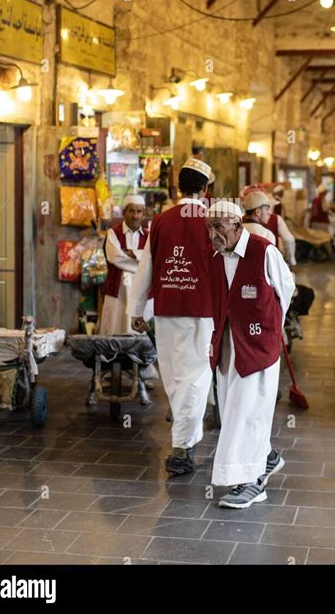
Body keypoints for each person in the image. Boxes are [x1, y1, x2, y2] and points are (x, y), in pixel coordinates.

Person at [206, 201, 295, 509]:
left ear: (237, 226)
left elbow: (287, 289)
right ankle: (267, 458)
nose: (214, 235)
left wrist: (271, 329)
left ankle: (253, 482)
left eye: (219, 228)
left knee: (250, 411)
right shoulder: (216, 256)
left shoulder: (264, 251)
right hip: (228, 345)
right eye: (209, 228)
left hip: (258, 347)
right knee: (234, 409)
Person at [129, 158, 214, 476]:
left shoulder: (161, 221)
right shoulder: (213, 220)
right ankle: (181, 448)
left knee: (176, 377)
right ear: (205, 189)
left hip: (166, 310)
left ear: (180, 187)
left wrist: (137, 311)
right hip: (202, 312)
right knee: (196, 377)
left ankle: (184, 442)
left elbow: (145, 268)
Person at [99, 195, 148, 335]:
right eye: (131, 211)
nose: (135, 216)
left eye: (139, 212)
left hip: (141, 290)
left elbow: (153, 259)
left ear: (143, 214)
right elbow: (115, 258)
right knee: (115, 323)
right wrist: (141, 260)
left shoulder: (149, 236)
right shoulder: (113, 233)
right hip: (118, 288)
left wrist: (133, 253)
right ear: (124, 212)